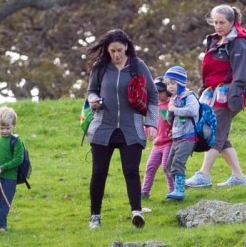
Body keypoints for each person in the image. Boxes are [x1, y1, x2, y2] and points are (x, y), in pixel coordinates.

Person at [84, 28, 158, 229]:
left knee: (131, 170)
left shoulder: (137, 65)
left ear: (126, 47)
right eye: (112, 51)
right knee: (99, 172)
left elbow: (153, 95)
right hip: (103, 127)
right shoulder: (100, 67)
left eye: (119, 50)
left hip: (131, 127)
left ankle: (137, 213)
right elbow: (91, 91)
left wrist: (151, 123)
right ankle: (95, 217)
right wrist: (93, 100)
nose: (116, 55)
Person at [187, 4, 246, 188]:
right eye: (215, 22)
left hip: (228, 95)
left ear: (232, 22)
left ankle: (204, 175)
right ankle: (239, 177)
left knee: (214, 133)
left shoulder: (239, 42)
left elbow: (241, 73)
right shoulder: (215, 41)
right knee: (221, 134)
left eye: (222, 22)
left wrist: (235, 97)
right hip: (211, 93)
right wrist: (202, 89)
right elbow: (208, 71)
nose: (218, 26)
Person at [162, 66, 199, 201]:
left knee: (178, 162)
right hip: (177, 136)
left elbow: (192, 111)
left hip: (188, 136)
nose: (170, 87)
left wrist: (174, 109)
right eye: (167, 84)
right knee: (168, 165)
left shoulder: (190, 97)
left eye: (173, 83)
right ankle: (176, 188)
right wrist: (170, 111)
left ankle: (179, 191)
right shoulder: (175, 98)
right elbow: (170, 119)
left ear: (181, 83)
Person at [140, 77, 174, 201]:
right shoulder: (153, 107)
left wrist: (172, 130)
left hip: (168, 143)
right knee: (150, 167)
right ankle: (144, 192)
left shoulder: (169, 105)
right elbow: (149, 123)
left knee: (166, 167)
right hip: (157, 144)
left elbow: (172, 122)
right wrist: (146, 132)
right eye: (155, 92)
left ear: (167, 91)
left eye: (160, 91)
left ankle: (172, 190)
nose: (158, 94)